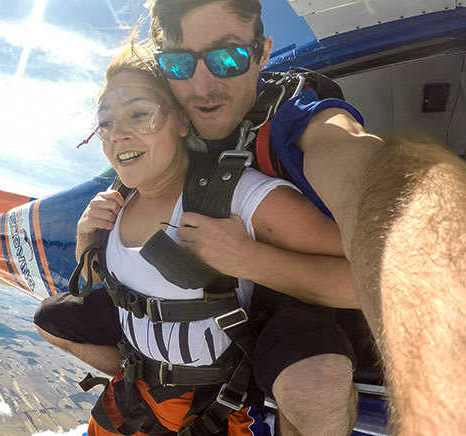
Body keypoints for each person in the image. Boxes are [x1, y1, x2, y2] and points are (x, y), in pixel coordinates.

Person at [146, 0, 466, 435]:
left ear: (261, 53)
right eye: (179, 63)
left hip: (288, 304)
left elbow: (362, 170)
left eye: (228, 57)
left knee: (316, 391)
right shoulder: (162, 128)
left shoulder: (294, 116)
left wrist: (247, 259)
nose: (202, 85)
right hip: (203, 320)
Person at [69, 40, 358, 436]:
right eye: (105, 122)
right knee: (50, 319)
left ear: (182, 121)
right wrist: (86, 237)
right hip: (134, 406)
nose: (117, 135)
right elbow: (111, 290)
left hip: (215, 412)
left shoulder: (235, 195)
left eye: (139, 114)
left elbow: (372, 278)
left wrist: (249, 259)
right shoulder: (113, 207)